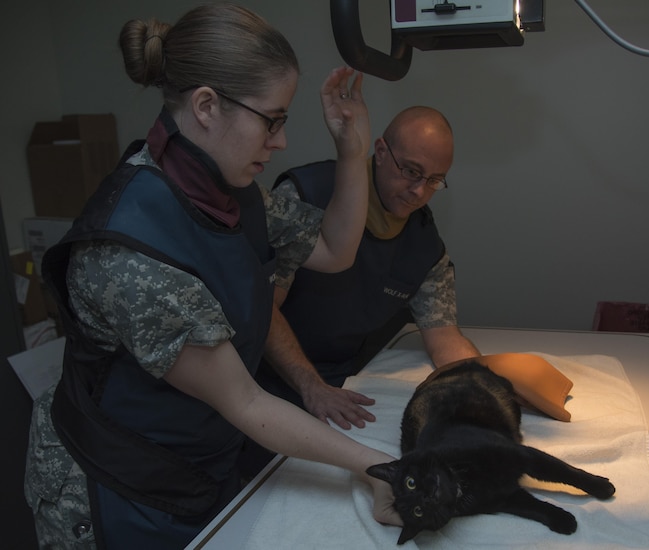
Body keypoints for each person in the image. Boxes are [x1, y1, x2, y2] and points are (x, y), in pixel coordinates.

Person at [23, 4, 399, 549]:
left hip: (199, 461)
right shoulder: (129, 250)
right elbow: (245, 401)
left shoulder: (230, 193)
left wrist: (353, 148)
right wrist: (375, 465)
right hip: (113, 486)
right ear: (205, 106)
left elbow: (336, 249)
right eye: (272, 119)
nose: (281, 142)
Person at [256, 106, 480, 431]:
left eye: (434, 180)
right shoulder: (305, 197)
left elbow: (444, 335)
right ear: (380, 152)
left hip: (346, 379)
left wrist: (485, 385)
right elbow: (262, 308)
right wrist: (311, 386)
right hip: (270, 377)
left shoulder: (424, 244)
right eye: (411, 171)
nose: (419, 191)